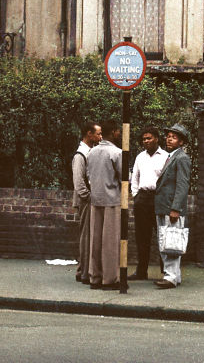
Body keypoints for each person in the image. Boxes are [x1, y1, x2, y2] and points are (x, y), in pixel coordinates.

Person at [128, 126, 168, 281]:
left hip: (158, 198)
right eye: (144, 139)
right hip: (142, 199)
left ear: (157, 139)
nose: (146, 141)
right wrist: (136, 195)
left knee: (162, 235)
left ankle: (166, 272)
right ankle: (141, 271)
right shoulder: (140, 157)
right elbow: (135, 178)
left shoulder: (165, 156)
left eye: (149, 138)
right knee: (142, 237)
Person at [155, 123, 191, 289]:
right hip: (165, 207)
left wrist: (175, 208)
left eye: (174, 137)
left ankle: (170, 277)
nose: (169, 139)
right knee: (167, 240)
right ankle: (174, 276)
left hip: (171, 208)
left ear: (181, 142)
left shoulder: (181, 158)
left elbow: (182, 185)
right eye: (168, 136)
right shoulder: (172, 157)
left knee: (171, 241)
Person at [86, 120, 122, 290]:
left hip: (95, 199)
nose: (120, 134)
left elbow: (88, 174)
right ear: (113, 132)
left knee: (95, 240)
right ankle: (110, 279)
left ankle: (95, 277)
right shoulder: (116, 152)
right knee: (110, 242)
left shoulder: (91, 152)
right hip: (111, 200)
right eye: (118, 131)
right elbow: (123, 178)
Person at [73, 121, 102, 285]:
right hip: (86, 201)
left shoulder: (91, 152)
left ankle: (83, 270)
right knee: (86, 236)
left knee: (90, 236)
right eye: (98, 133)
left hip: (90, 199)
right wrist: (89, 197)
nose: (100, 136)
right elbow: (79, 183)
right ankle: (84, 272)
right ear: (89, 134)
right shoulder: (80, 155)